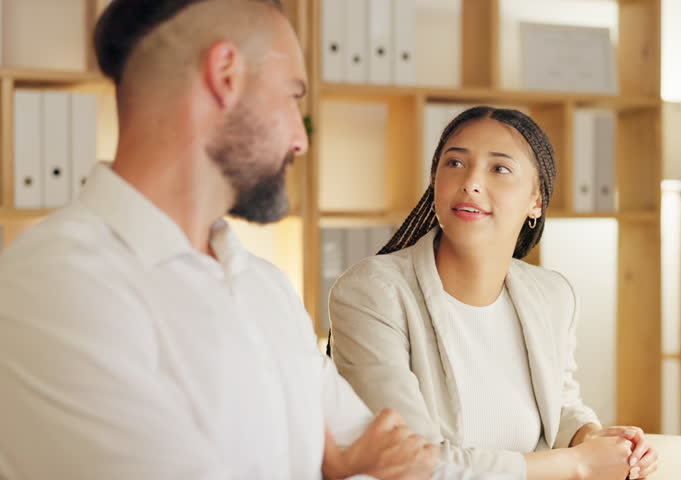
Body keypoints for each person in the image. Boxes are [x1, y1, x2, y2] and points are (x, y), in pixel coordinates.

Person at [0, 2, 507, 479]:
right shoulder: (54, 287)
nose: (301, 140)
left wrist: (351, 466)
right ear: (225, 76)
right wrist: (343, 468)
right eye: (292, 96)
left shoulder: (266, 288)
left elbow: (410, 461)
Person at [328, 107, 660, 480]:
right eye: (454, 163)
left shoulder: (553, 295)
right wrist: (577, 464)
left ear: (536, 199)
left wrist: (596, 438)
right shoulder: (372, 293)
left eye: (499, 169)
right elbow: (414, 462)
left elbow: (561, 404)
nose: (470, 181)